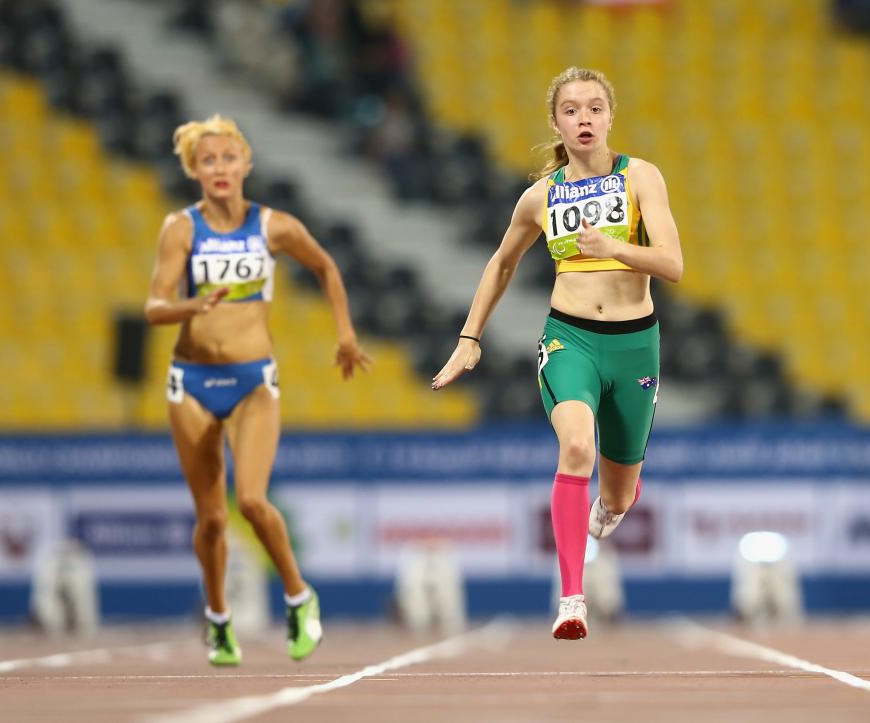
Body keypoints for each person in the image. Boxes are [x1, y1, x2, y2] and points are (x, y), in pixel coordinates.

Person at [431, 66, 683, 640]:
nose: (584, 119)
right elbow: (501, 263)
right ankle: (572, 599)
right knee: (575, 446)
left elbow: (673, 264)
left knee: (618, 490)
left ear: (610, 116)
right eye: (571, 110)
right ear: (556, 122)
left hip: (635, 344)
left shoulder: (641, 177)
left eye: (594, 108)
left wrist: (612, 246)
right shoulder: (541, 196)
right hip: (569, 338)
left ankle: (614, 503)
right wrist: (470, 339)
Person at [144, 114, 371, 666]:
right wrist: (189, 306)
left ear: (246, 165)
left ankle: (298, 595)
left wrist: (345, 334)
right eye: (207, 161)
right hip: (191, 383)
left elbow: (326, 266)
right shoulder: (181, 228)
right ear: (194, 172)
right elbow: (153, 306)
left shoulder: (274, 226)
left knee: (249, 500)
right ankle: (219, 619)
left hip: (252, 381)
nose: (219, 169)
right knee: (212, 519)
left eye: (228, 158)